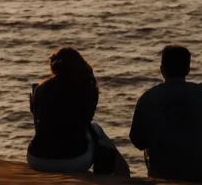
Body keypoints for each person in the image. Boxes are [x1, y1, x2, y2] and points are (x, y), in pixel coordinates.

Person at [130, 45, 202, 184]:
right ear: (188, 70)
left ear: (162, 69)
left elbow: (136, 139)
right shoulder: (201, 92)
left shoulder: (148, 97)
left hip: (162, 174)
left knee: (151, 142)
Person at [27, 47, 130, 177]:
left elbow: (40, 128)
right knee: (97, 131)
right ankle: (112, 178)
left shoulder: (42, 88)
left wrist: (35, 110)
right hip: (76, 159)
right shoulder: (87, 86)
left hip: (37, 159)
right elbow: (85, 121)